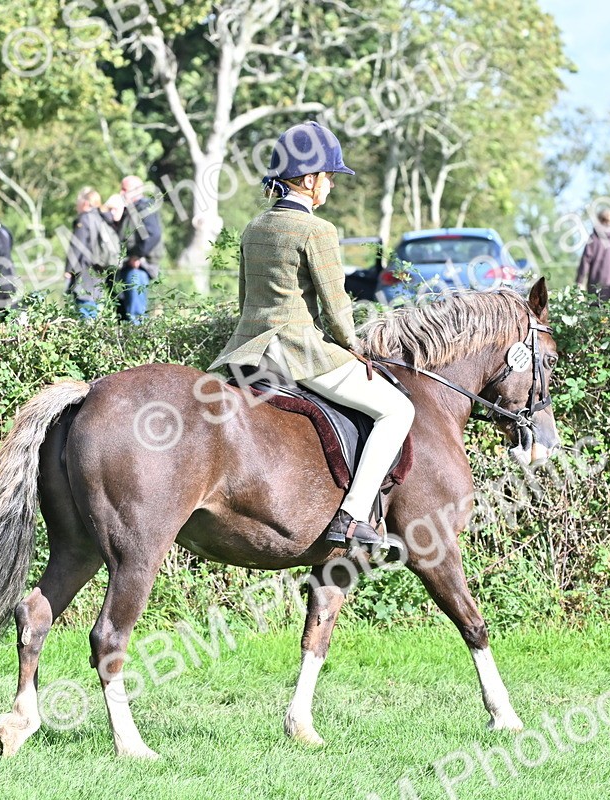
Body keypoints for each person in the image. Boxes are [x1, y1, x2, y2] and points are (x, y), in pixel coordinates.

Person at [208, 121, 415, 548]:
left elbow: (245, 300)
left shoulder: (254, 227)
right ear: (308, 179)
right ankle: (353, 516)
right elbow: (337, 309)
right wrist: (355, 347)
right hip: (298, 352)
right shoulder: (318, 230)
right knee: (398, 410)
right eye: (329, 177)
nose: (331, 185)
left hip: (249, 353)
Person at [64, 187, 123, 320]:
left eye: (78, 202)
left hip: (85, 271)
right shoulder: (104, 218)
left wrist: (68, 270)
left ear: (85, 203)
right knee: (94, 308)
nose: (76, 206)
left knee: (83, 309)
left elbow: (76, 247)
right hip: (101, 270)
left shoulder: (85, 219)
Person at [114, 175, 163, 323]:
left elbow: (154, 234)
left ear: (136, 190)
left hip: (138, 268)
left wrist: (137, 256)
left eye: (125, 189)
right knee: (124, 315)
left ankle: (138, 338)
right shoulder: (130, 209)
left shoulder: (144, 207)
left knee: (136, 315)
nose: (121, 193)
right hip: (128, 267)